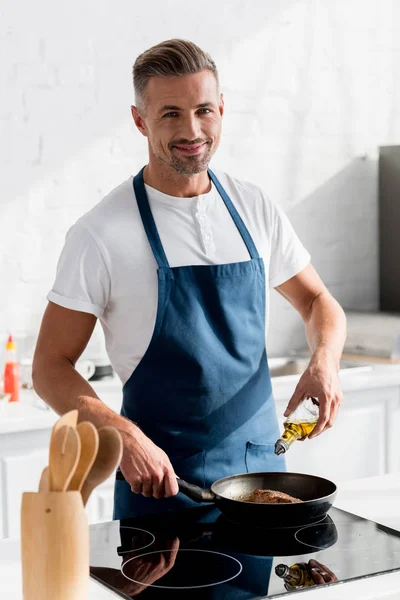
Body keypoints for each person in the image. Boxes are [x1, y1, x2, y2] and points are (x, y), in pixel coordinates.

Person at [32, 39, 346, 520]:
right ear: (140, 120)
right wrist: (124, 435)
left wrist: (324, 361)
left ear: (221, 109)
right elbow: (50, 367)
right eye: (171, 114)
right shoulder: (100, 233)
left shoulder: (253, 207)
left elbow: (318, 301)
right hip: (161, 487)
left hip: (261, 486)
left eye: (204, 110)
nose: (192, 130)